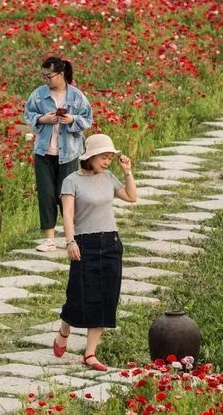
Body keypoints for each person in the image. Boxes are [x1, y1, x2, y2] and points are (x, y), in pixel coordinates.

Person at [53, 134, 137, 371]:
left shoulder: (109, 177)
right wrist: (70, 242)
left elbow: (132, 197)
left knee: (106, 296)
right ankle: (65, 328)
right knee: (78, 293)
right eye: (104, 157)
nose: (107, 162)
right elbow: (67, 214)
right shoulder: (71, 181)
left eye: (110, 157)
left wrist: (127, 171)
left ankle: (90, 354)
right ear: (89, 156)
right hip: (84, 243)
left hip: (110, 242)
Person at [24, 57, 93, 252]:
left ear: (61, 74)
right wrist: (42, 119)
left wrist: (71, 119)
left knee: (67, 195)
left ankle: (72, 236)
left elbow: (88, 119)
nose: (46, 80)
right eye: (43, 76)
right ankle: (49, 239)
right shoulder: (38, 95)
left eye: (49, 76)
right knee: (46, 194)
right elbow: (28, 114)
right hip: (44, 152)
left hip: (69, 153)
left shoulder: (76, 96)